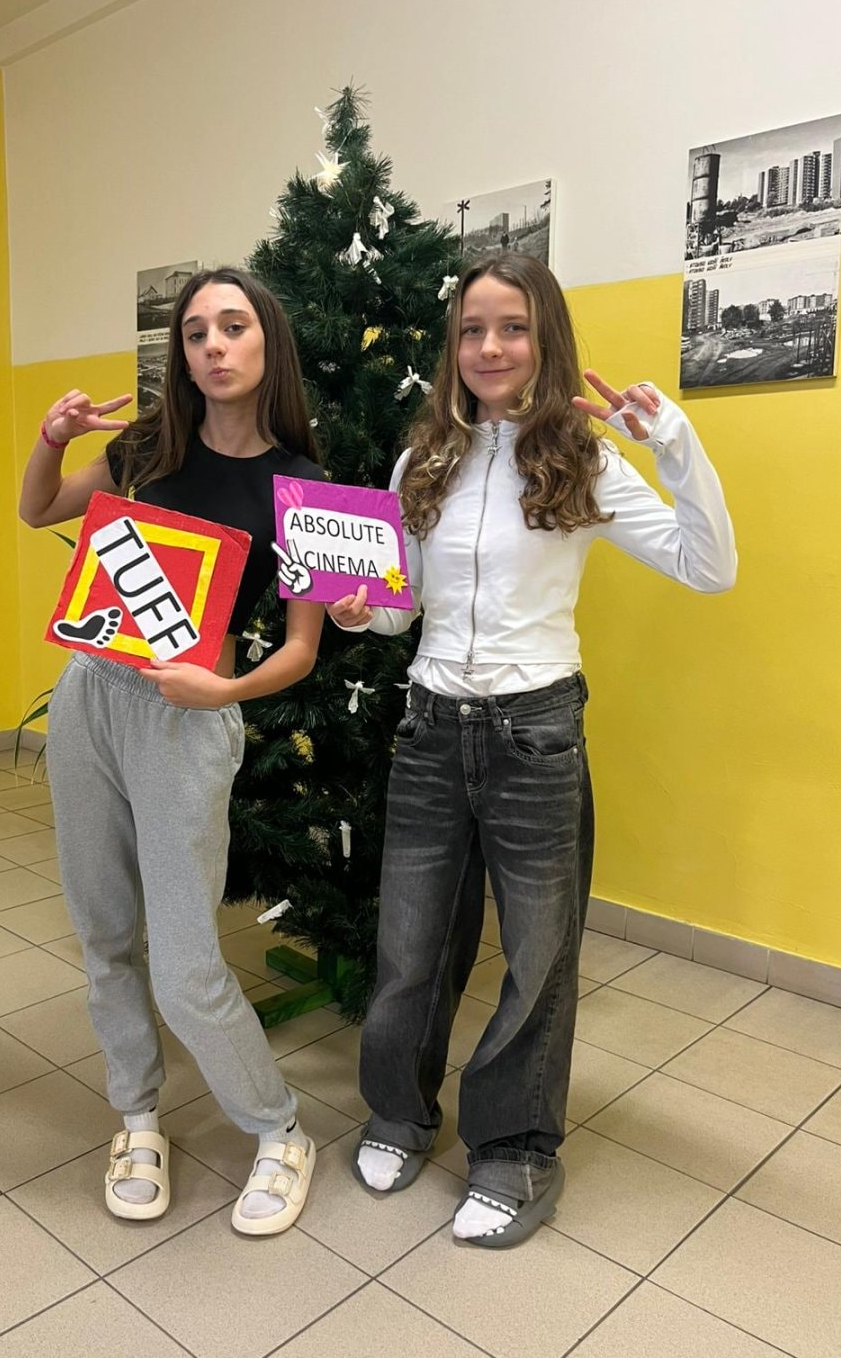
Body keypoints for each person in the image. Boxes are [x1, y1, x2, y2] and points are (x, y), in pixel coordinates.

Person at [329, 254, 736, 1248]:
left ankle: (513, 1150)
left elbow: (709, 566)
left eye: (511, 327)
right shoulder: (422, 461)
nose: (490, 347)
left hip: (535, 732)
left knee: (538, 957)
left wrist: (672, 442)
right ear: (454, 347)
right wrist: (362, 610)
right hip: (431, 728)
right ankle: (399, 1114)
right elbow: (402, 607)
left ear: (544, 338)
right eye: (472, 330)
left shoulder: (583, 461)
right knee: (411, 945)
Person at [19, 268, 326, 1235]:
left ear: (267, 341)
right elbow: (39, 510)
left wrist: (223, 692)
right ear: (182, 354)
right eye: (196, 332)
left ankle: (279, 1130)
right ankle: (138, 1118)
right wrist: (50, 438)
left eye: (233, 327)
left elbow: (302, 650)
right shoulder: (146, 450)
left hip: (190, 719)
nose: (214, 346)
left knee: (187, 963)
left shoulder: (302, 487)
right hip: (90, 697)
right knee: (104, 933)